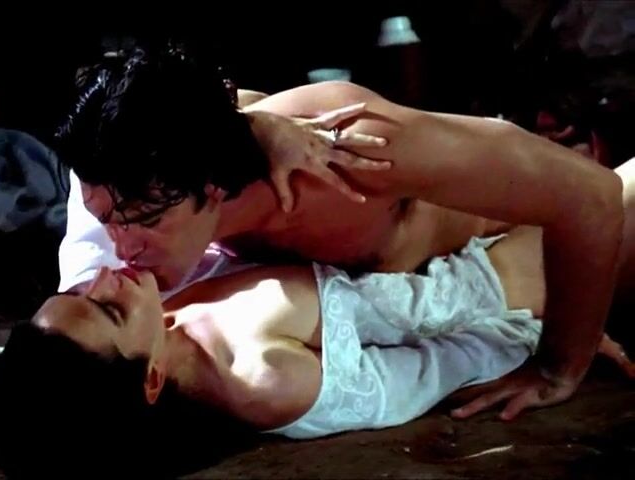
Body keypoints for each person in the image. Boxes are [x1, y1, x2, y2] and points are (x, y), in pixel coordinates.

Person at [54, 43, 623, 421]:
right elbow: (179, 97)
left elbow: (589, 196)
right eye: (106, 219)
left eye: (147, 224)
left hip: (531, 237)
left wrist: (558, 364)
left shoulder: (351, 152)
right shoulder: (135, 174)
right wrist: (253, 124)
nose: (120, 250)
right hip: (463, 287)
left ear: (214, 186)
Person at [0, 161, 635, 475]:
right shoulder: (265, 379)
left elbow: (95, 164)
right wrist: (553, 341)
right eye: (106, 306)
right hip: (520, 277)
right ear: (149, 379)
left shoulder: (101, 294)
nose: (104, 278)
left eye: (75, 292)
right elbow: (424, 371)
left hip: (450, 214)